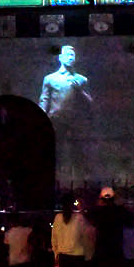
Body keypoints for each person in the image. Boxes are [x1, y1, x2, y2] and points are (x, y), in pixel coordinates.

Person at [38, 45, 94, 184]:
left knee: (78, 153)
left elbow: (90, 102)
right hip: (56, 120)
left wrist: (80, 91)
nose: (70, 57)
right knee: (56, 152)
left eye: (72, 55)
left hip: (76, 121)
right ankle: (53, 180)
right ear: (60, 57)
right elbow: (44, 99)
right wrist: (41, 118)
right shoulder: (50, 79)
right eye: (67, 54)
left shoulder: (81, 79)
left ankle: (79, 182)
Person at [90, 186, 131, 267]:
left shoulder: (97, 212)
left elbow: (91, 221)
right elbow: (129, 220)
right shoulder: (120, 210)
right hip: (116, 245)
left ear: (101, 198)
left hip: (102, 246)